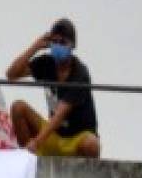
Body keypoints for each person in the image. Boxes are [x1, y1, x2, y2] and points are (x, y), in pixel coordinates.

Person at [5, 17, 101, 157]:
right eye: (54, 42)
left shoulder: (80, 73)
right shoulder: (46, 63)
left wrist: (37, 142)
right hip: (54, 136)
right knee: (18, 108)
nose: (58, 46)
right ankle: (29, 159)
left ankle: (35, 151)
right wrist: (36, 46)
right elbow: (11, 74)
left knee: (91, 144)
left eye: (63, 42)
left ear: (72, 45)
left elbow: (59, 115)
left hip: (76, 140)